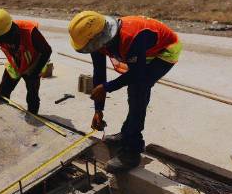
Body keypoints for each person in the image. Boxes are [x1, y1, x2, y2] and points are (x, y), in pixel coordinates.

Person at [68, 11, 181, 172]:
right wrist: (98, 109)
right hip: (145, 50)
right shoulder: (96, 39)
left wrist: (107, 87)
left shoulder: (131, 38)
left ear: (99, 39)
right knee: (134, 90)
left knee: (138, 91)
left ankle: (133, 150)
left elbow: (137, 74)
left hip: (165, 51)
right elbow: (99, 73)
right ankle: (126, 133)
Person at [0, 9, 51, 114]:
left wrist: (35, 72)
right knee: (3, 93)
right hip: (14, 64)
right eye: (2, 37)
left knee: (32, 96)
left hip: (33, 65)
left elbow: (47, 50)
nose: (5, 39)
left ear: (12, 26)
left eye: (7, 35)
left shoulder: (29, 31)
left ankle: (33, 117)